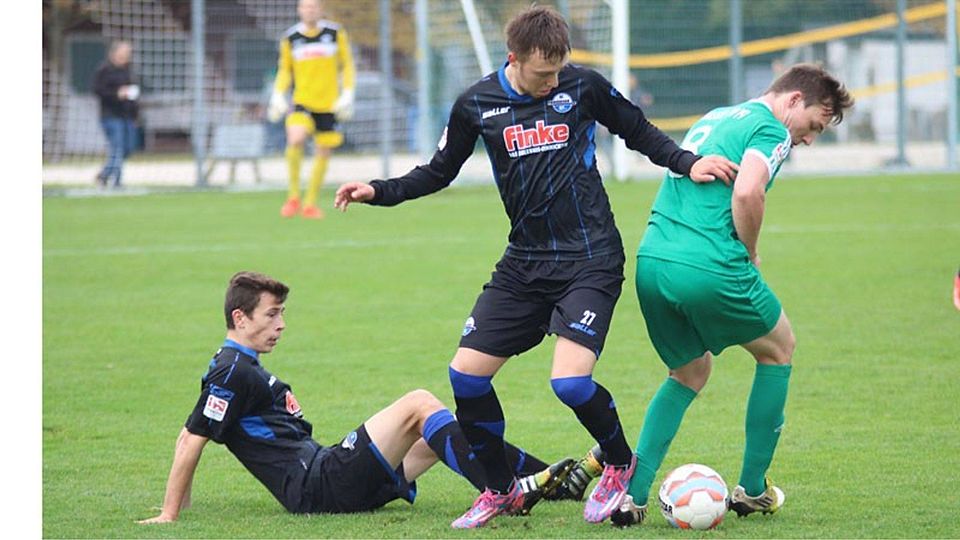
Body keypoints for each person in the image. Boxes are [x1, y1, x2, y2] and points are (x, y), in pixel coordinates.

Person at [333, 5, 737, 528]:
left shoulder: (583, 87)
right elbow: (437, 172)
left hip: (590, 259)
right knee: (466, 376)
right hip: (524, 264)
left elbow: (637, 130)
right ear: (513, 59)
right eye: (541, 74)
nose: (551, 83)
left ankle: (617, 462)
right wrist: (378, 191)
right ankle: (500, 489)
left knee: (569, 384)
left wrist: (688, 161)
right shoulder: (476, 104)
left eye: (557, 72)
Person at [610, 64, 854, 527]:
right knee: (780, 350)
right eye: (814, 126)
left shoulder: (719, 115)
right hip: (708, 265)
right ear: (794, 101)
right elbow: (747, 192)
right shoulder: (770, 127)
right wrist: (750, 250)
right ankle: (753, 490)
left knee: (688, 371)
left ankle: (631, 497)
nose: (808, 139)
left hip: (654, 260)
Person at [137, 271, 577, 524]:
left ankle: (557, 484)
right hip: (319, 485)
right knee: (419, 403)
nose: (281, 324)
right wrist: (170, 515)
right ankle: (500, 492)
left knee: (439, 431)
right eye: (272, 314)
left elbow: (190, 431)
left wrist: (183, 502)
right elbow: (192, 439)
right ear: (240, 317)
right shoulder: (232, 371)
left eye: (282, 314)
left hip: (325, 475)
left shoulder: (237, 367)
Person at [268, 0, 355, 220]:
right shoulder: (291, 38)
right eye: (305, 6)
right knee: (295, 138)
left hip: (329, 104)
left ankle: (309, 203)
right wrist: (278, 94)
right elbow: (285, 70)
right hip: (302, 101)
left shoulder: (335, 33)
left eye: (314, 6)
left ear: (321, 9)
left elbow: (347, 65)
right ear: (299, 10)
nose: (310, 10)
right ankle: (293, 196)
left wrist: (348, 93)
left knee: (323, 151)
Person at [92, 40, 139, 189]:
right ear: (115, 53)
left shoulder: (128, 70)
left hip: (127, 116)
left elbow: (133, 94)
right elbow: (97, 90)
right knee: (117, 148)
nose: (127, 55)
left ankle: (105, 174)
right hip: (110, 115)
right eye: (125, 52)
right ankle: (117, 181)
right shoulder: (104, 70)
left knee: (128, 148)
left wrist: (135, 115)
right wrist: (117, 94)